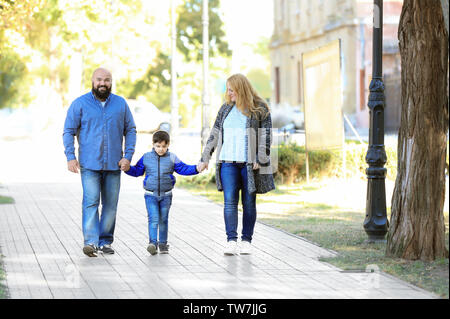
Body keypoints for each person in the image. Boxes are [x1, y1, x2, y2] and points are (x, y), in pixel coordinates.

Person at [197, 73, 275, 256]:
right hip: (228, 163)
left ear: (241, 89)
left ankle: (246, 241)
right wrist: (205, 157)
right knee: (229, 202)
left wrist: (260, 157)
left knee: (249, 203)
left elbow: (266, 135)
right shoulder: (225, 109)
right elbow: (214, 134)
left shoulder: (259, 109)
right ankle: (231, 241)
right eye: (227, 89)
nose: (229, 93)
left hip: (249, 165)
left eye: (231, 90)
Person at [63, 67, 137, 257]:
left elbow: (131, 130)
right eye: (99, 80)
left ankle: (105, 242)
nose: (103, 83)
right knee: (91, 202)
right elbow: (68, 131)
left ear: (111, 82)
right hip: (89, 164)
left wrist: (128, 156)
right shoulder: (79, 104)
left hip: (114, 164)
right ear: (92, 81)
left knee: (111, 205)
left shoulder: (120, 104)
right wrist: (70, 157)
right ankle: (90, 242)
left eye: (107, 80)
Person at [124, 130, 201, 255]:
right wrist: (127, 169)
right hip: (150, 195)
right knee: (153, 219)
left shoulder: (172, 157)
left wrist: (196, 168)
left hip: (166, 195)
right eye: (158, 146)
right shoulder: (146, 157)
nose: (161, 149)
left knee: (163, 219)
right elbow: (137, 171)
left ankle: (163, 244)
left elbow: (183, 168)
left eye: (164, 146)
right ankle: (153, 243)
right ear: (153, 144)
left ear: (168, 144)